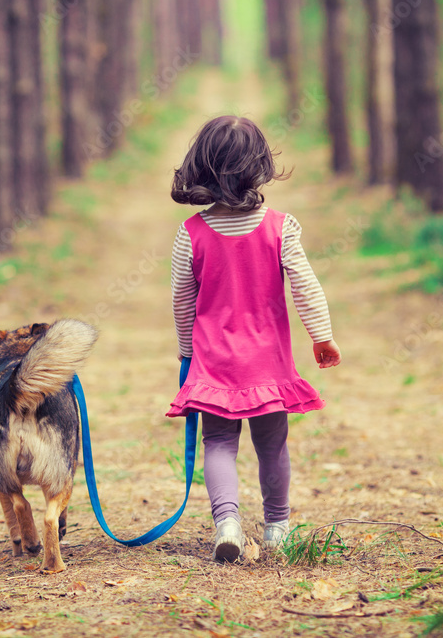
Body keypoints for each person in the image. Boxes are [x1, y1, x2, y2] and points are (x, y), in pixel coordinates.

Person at [166, 115, 341, 563]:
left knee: (219, 443)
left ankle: (227, 522)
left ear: (200, 167)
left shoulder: (191, 234)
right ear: (258, 166)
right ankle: (278, 527)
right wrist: (321, 336)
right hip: (268, 362)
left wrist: (187, 352)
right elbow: (305, 284)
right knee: (272, 444)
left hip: (215, 363)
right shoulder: (281, 228)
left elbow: (182, 301)